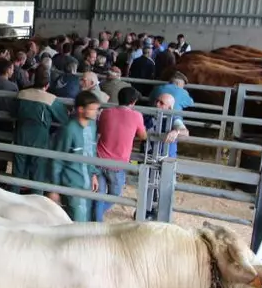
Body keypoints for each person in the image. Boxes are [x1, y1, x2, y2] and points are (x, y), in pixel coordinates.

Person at [11, 65, 69, 195]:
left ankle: (13, 198)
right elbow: (64, 119)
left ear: (33, 80)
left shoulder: (21, 94)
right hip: (40, 141)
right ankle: (37, 201)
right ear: (47, 84)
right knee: (38, 175)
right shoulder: (51, 100)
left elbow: (13, 112)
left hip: (21, 137)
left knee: (17, 174)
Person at [93, 87, 147, 222]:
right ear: (133, 102)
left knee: (99, 195)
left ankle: (95, 220)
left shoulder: (105, 112)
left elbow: (99, 129)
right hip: (117, 164)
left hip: (99, 159)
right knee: (115, 195)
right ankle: (94, 218)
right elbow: (143, 136)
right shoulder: (137, 116)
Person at [50, 91, 101, 222]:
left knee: (86, 217)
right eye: (92, 109)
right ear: (80, 109)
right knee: (77, 220)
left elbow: (92, 151)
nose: (96, 112)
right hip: (72, 182)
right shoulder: (68, 129)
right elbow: (58, 159)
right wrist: (54, 189)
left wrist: (94, 174)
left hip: (88, 181)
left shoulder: (92, 125)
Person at [143, 93, 189, 160]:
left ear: (169, 108)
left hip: (165, 158)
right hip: (145, 156)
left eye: (161, 103)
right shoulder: (147, 116)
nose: (157, 104)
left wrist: (176, 131)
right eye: (157, 101)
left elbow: (185, 132)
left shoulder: (174, 119)